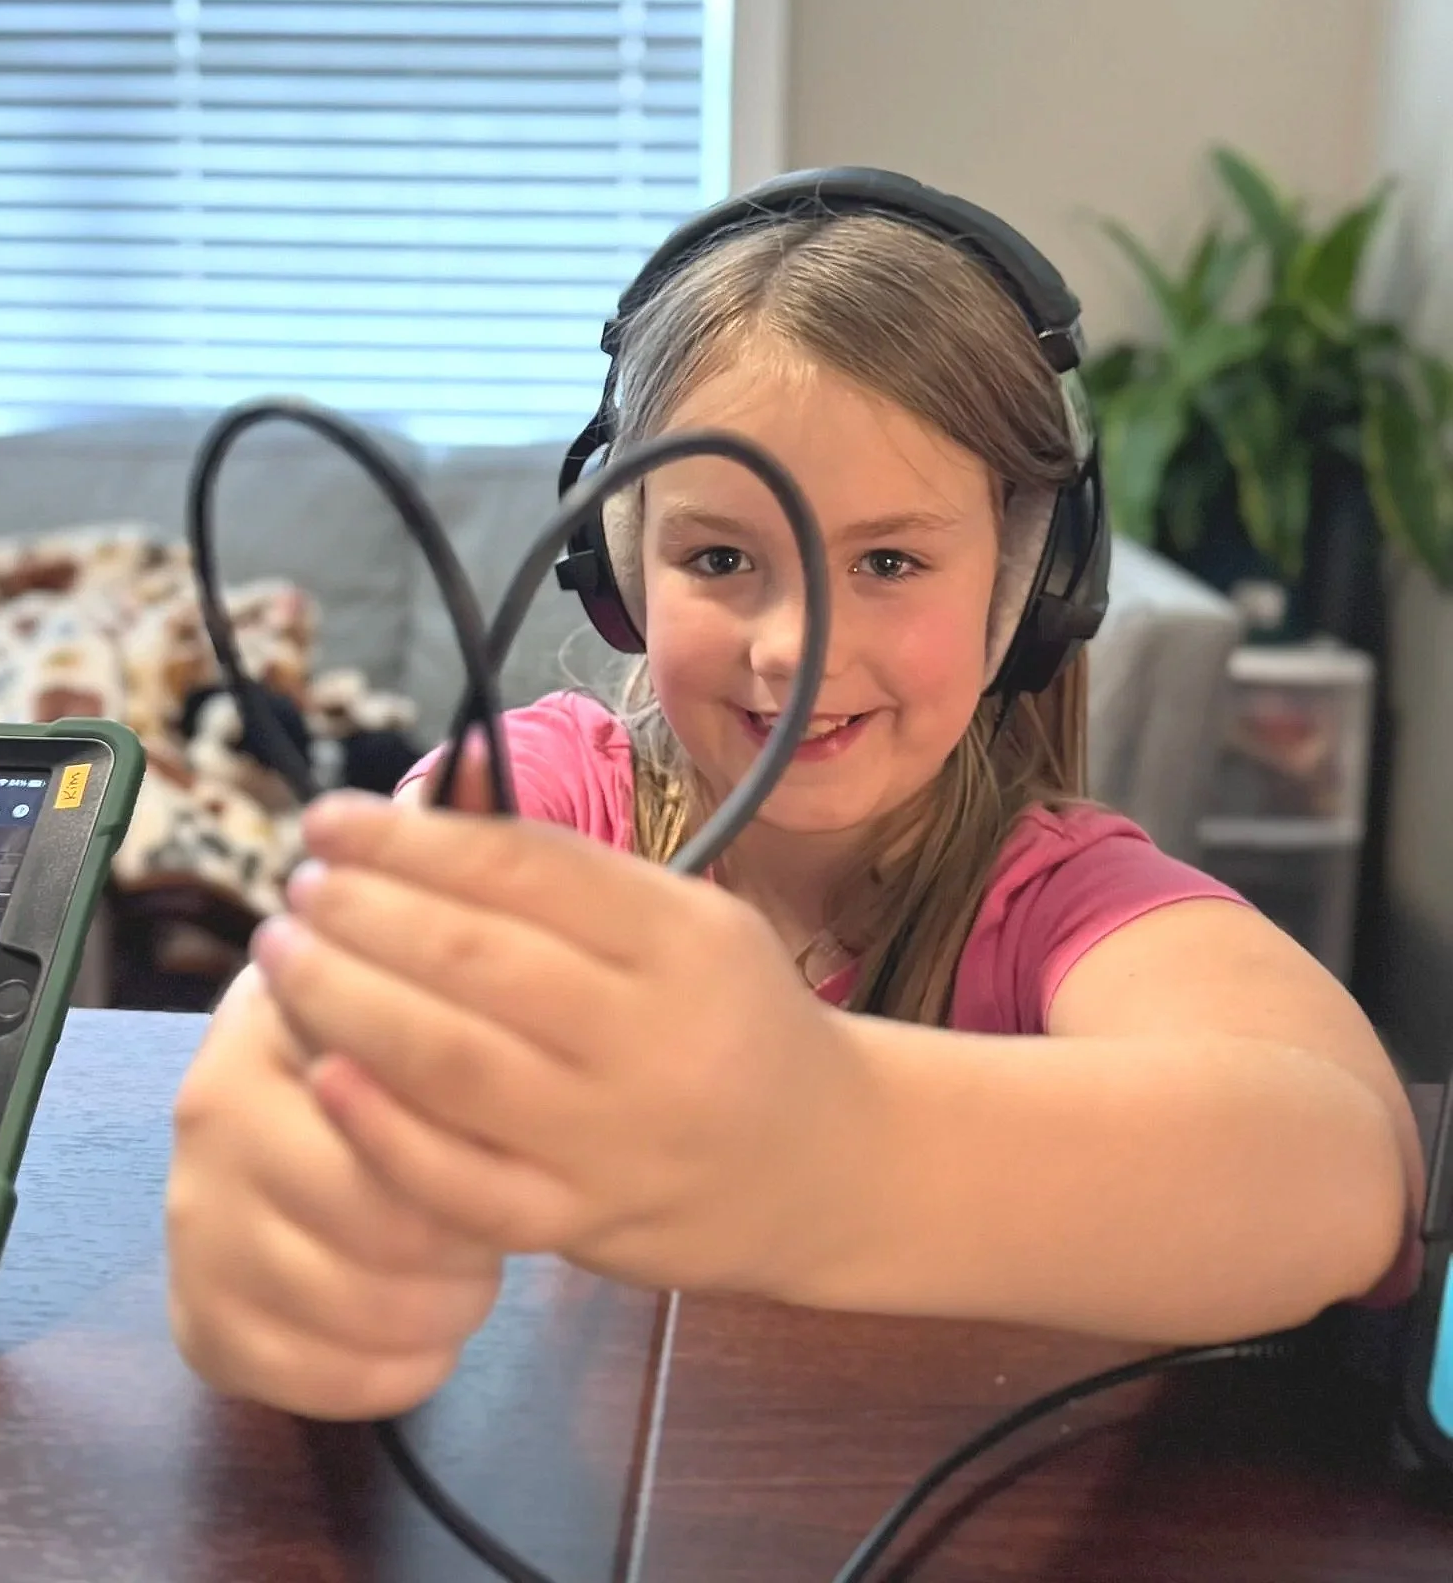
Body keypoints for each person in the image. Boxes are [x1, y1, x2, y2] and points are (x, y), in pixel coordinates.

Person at [166, 174, 1424, 1423]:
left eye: (890, 559)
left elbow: (1346, 1168)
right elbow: (311, 1030)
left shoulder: (1055, 898)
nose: (793, 649)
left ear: (1025, 584)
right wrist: (281, 1195)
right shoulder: (551, 795)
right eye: (721, 556)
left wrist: (830, 1147)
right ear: (623, 568)